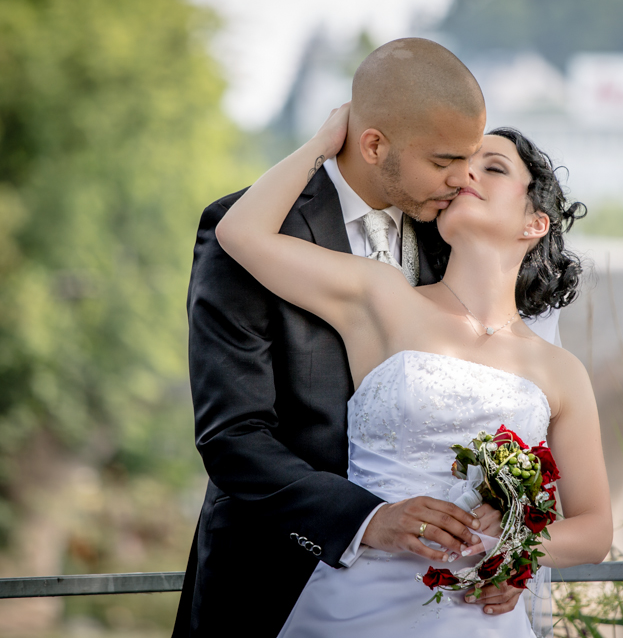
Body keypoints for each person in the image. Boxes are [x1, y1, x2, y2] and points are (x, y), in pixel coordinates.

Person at [172, 38, 565, 638]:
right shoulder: (251, 228)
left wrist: (507, 532)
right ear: (375, 143)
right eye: (443, 162)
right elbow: (233, 436)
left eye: (470, 160)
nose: (462, 180)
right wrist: (366, 520)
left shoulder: (454, 230)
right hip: (275, 579)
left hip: (444, 594)